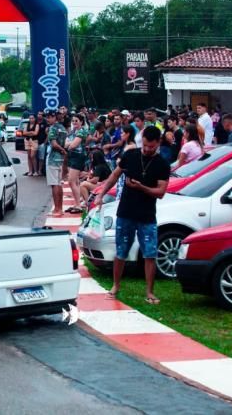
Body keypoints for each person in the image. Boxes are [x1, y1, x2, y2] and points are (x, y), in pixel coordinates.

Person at [96, 126, 170, 305]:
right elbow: (114, 175)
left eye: (151, 147)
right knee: (121, 250)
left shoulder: (162, 164)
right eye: (145, 146)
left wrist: (141, 187)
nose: (147, 150)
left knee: (149, 254)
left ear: (158, 143)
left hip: (146, 215)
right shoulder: (130, 155)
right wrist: (101, 193)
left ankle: (150, 292)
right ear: (142, 140)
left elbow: (160, 192)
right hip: (126, 212)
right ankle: (115, 286)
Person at [45, 111, 67, 217]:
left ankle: (57, 209)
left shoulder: (52, 128)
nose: (48, 119)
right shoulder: (62, 128)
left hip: (53, 158)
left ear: (54, 118)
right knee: (58, 183)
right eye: (47, 117)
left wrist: (62, 150)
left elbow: (54, 144)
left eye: (49, 117)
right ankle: (60, 208)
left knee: (54, 185)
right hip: (61, 159)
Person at [64, 114, 87, 213]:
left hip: (78, 157)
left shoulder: (82, 131)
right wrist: (69, 144)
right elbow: (65, 144)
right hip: (71, 156)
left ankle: (78, 205)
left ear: (81, 122)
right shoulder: (73, 131)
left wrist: (69, 144)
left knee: (71, 181)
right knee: (75, 182)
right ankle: (76, 203)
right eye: (73, 121)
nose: (74, 123)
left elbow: (73, 145)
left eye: (76, 121)